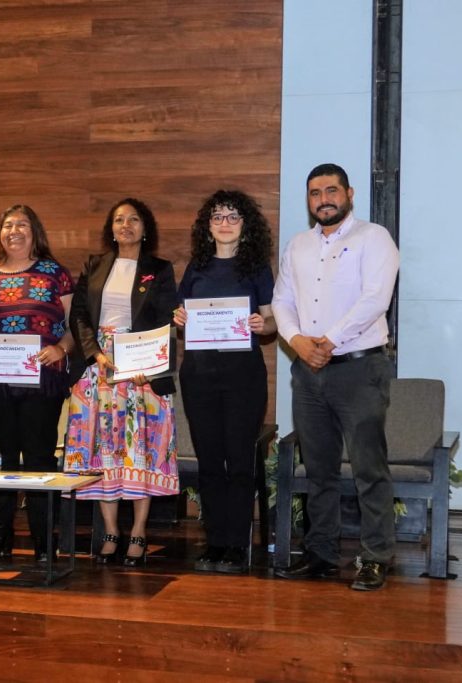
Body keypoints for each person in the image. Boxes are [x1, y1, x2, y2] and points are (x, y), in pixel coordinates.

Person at [271, 163, 399, 591]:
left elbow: (375, 299)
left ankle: (376, 556)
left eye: (331, 191)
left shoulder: (373, 238)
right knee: (318, 470)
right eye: (315, 193)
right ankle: (321, 554)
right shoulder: (298, 245)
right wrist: (297, 341)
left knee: (368, 468)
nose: (323, 199)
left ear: (349, 194)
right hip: (308, 371)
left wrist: (327, 340)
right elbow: (282, 300)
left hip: (360, 369)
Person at [63, 197, 179, 567]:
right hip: (98, 368)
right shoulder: (95, 265)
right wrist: (96, 354)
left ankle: (140, 530)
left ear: (146, 229)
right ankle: (111, 531)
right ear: (111, 229)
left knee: (138, 448)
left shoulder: (159, 269)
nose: (125, 225)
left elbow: (166, 320)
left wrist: (151, 363)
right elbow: (79, 315)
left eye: (133, 219)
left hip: (141, 369)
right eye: (118, 220)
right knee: (101, 449)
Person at [172, 190, 276, 574]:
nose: (225, 223)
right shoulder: (197, 267)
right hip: (199, 376)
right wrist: (179, 318)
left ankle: (237, 543)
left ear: (245, 225)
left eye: (233, 217)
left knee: (240, 460)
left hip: (243, 376)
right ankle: (215, 541)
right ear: (208, 225)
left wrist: (263, 324)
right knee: (210, 460)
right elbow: (181, 313)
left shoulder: (256, 268)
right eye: (218, 217)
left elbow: (272, 321)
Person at [0, 205, 74, 563]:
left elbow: (75, 327)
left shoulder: (55, 273)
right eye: (8, 225)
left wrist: (60, 348)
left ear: (34, 231)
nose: (14, 231)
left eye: (22, 225)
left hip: (41, 382)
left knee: (39, 459)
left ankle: (44, 542)